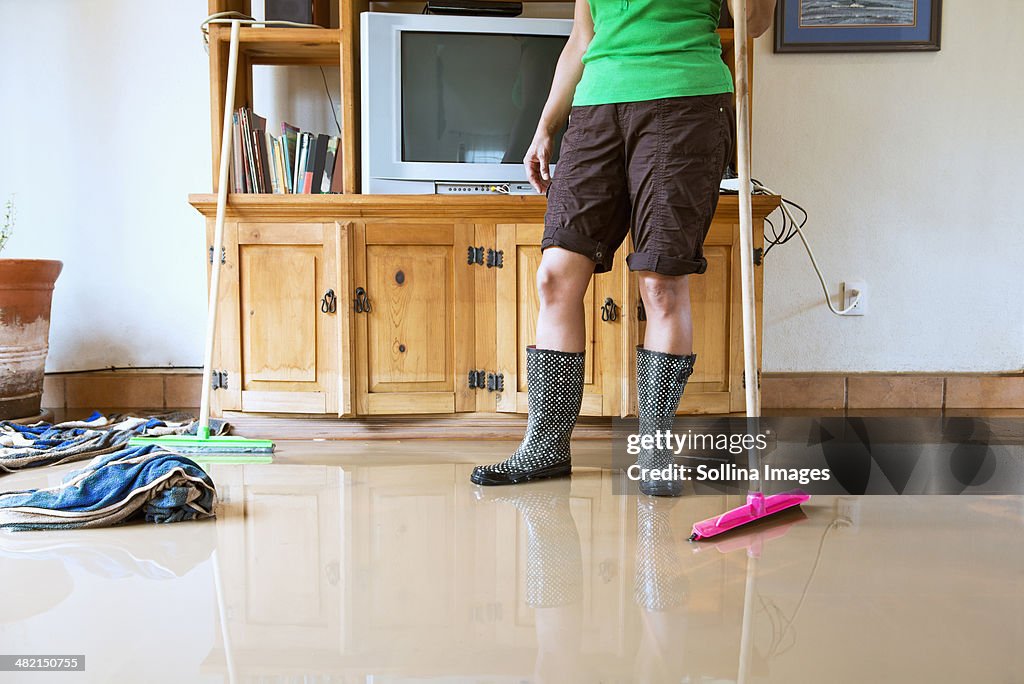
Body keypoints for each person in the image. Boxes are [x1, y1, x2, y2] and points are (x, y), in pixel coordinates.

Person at [471, 0, 776, 496]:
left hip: (686, 102)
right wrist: (545, 126)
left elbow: (755, 24)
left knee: (660, 284)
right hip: (596, 110)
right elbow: (581, 39)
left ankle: (654, 447)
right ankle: (546, 446)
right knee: (554, 275)